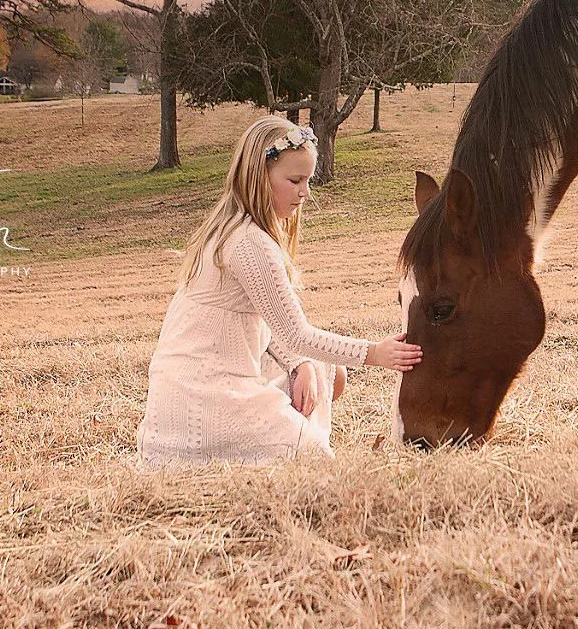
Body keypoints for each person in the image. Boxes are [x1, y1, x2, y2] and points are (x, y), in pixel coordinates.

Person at [136, 115, 420, 466]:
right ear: (259, 176)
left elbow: (274, 330)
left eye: (308, 180)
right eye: (295, 180)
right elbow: (296, 334)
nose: (305, 192)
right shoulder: (250, 243)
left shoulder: (229, 228)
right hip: (206, 395)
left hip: (195, 383)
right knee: (316, 463)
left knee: (324, 371)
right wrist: (375, 353)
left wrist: (299, 363)